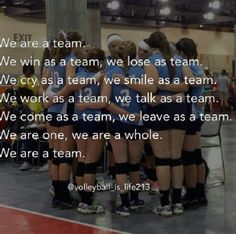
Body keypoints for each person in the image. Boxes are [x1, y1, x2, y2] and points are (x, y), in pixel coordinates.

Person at [175, 38, 207, 208]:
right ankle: (200, 193)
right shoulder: (196, 64)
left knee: (188, 157)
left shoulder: (185, 63)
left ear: (180, 50)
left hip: (190, 113)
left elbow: (190, 84)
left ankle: (192, 193)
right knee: (196, 155)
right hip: (197, 113)